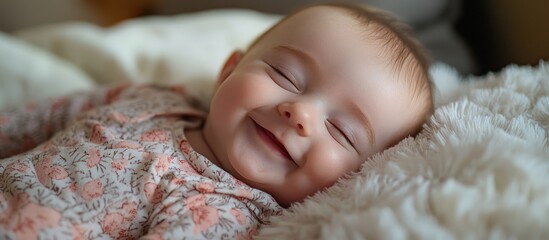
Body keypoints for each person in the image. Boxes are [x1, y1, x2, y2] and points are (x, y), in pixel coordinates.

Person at [0, 3, 433, 239]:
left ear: (357, 177)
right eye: (285, 76)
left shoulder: (226, 218)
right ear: (229, 71)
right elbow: (39, 118)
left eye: (342, 132)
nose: (300, 114)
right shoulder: (149, 98)